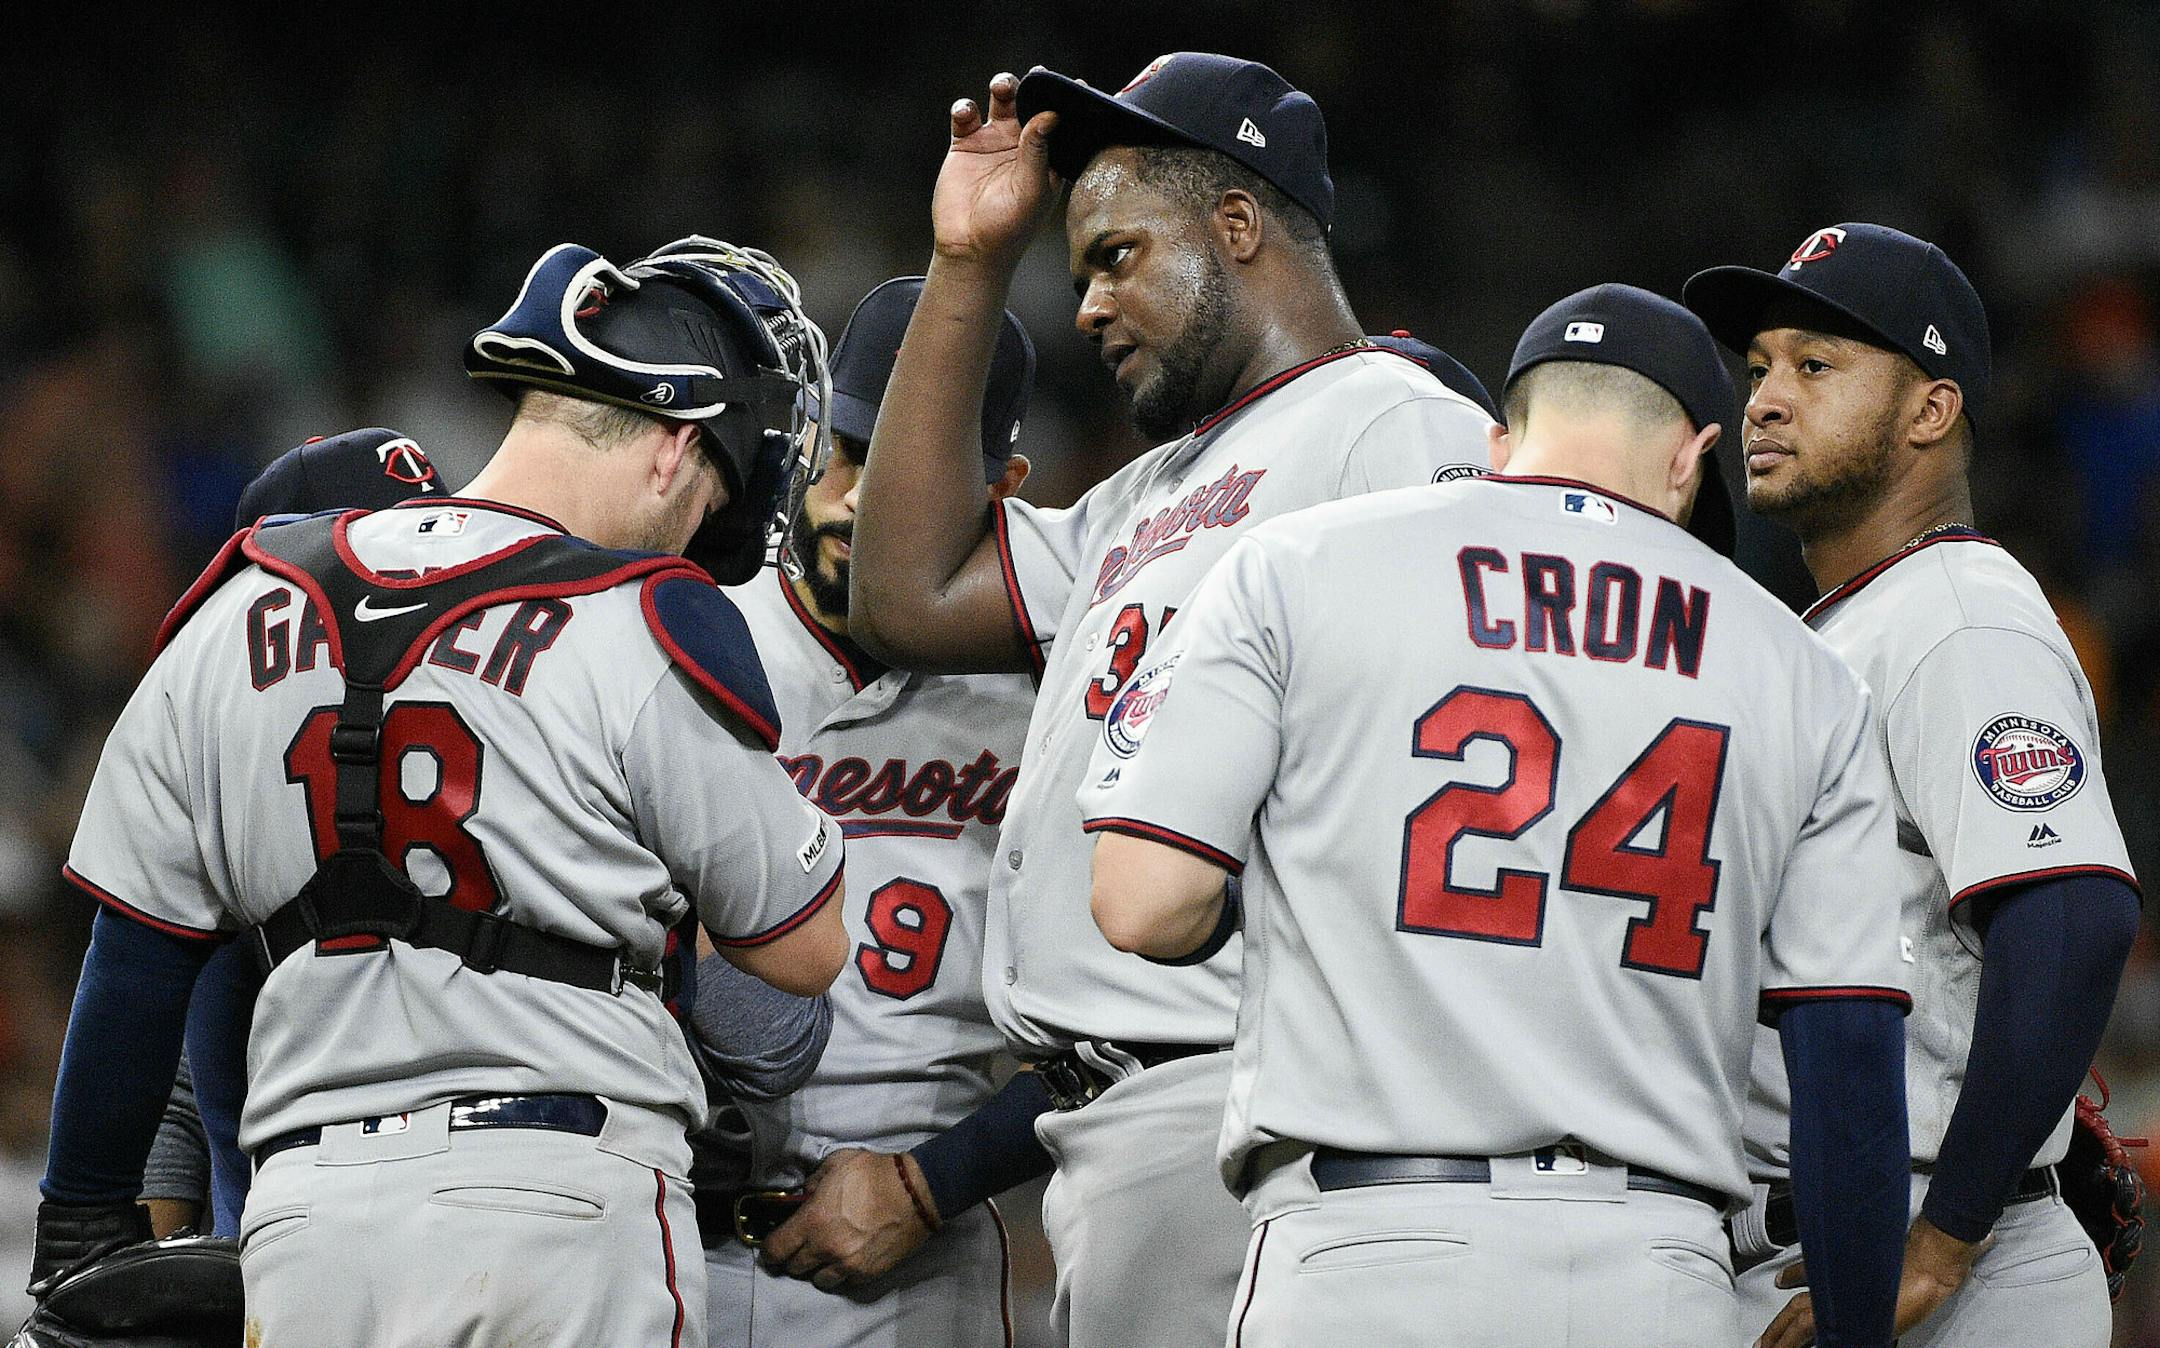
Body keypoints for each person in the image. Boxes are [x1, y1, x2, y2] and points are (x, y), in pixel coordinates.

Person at [28, 235, 851, 1348]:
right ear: (671, 449)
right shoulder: (641, 615)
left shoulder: (242, 596)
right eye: (710, 494)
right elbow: (802, 953)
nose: (697, 531)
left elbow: (132, 957)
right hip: (562, 1200)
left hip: (308, 1227)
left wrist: (79, 1223)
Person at [1083, 283, 1912, 1348]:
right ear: (1691, 457)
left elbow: (1144, 903)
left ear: (1496, 438)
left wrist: (1319, 871)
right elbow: (1848, 1061)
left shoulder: (1299, 565)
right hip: (1657, 1270)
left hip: (1369, 1248)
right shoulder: (1804, 671)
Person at [844, 55, 1496, 1345]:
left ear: (1239, 227)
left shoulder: (1389, 422)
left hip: (1251, 1096)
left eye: (1118, 256)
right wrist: (969, 262)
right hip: (1125, 1121)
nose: (1087, 305)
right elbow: (906, 590)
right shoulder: (1148, 491)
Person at [1683, 224, 2143, 1348]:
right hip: (1826, 1234)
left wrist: (1944, 1241)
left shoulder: (1957, 615)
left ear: (1931, 410)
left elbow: (2073, 916)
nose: (1768, 401)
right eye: (1761, 370)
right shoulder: (1857, 621)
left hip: (1927, 1254)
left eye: (1816, 366)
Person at [697, 276, 1039, 1347]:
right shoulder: (686, 636)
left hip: (913, 1261)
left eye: (912, 476)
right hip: (661, 1233)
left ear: (1004, 486)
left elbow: (1133, 1023)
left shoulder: (1052, 685)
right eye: (848, 455)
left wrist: (937, 1183)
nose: (860, 504)